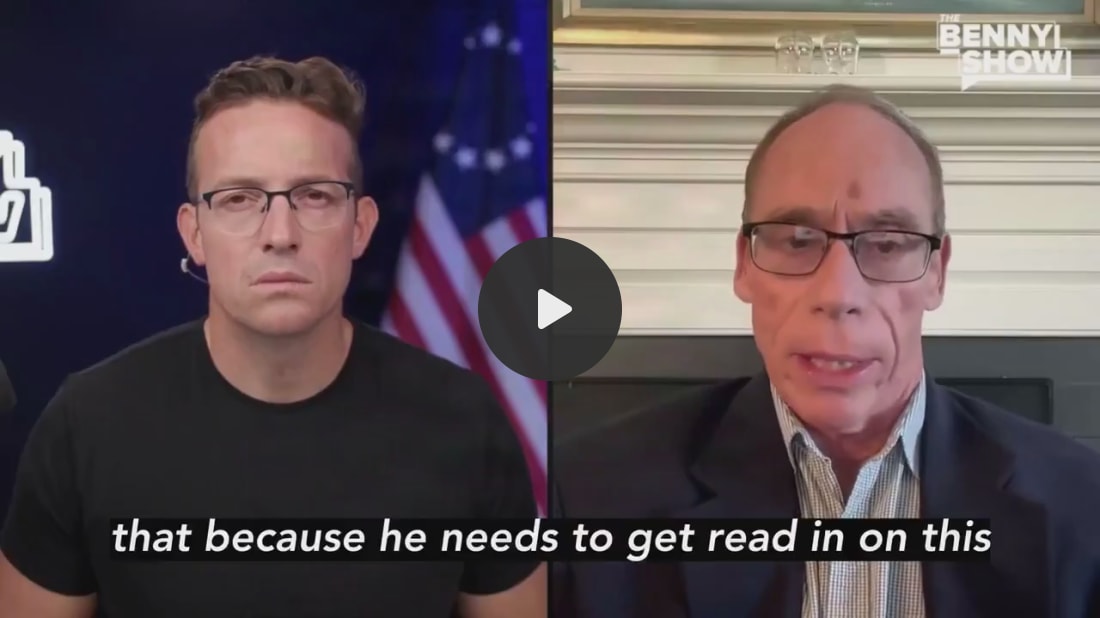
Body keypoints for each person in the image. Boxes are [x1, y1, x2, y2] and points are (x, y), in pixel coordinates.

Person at [0, 55, 545, 618]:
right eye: (239, 198)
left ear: (360, 226)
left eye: (315, 195)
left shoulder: (464, 420)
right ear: (194, 234)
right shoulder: (87, 425)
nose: (280, 234)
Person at [552, 84, 1100, 618]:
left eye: (887, 244)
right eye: (796, 240)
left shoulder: (1083, 505)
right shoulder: (588, 497)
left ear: (937, 272)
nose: (838, 294)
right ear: (743, 265)